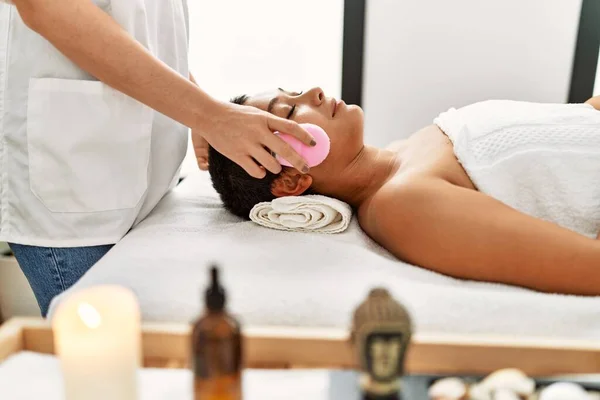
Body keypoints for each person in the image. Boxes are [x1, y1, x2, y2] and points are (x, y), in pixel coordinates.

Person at [1, 0, 316, 316]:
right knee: (103, 355)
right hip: (72, 179)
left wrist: (196, 105)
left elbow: (141, 19)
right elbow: (44, 6)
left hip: (140, 177)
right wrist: (209, 115)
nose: (318, 94)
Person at [208, 87, 600, 296]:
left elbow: (569, 130)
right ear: (291, 181)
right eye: (290, 112)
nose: (313, 91)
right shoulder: (402, 206)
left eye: (291, 91)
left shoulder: (406, 148)